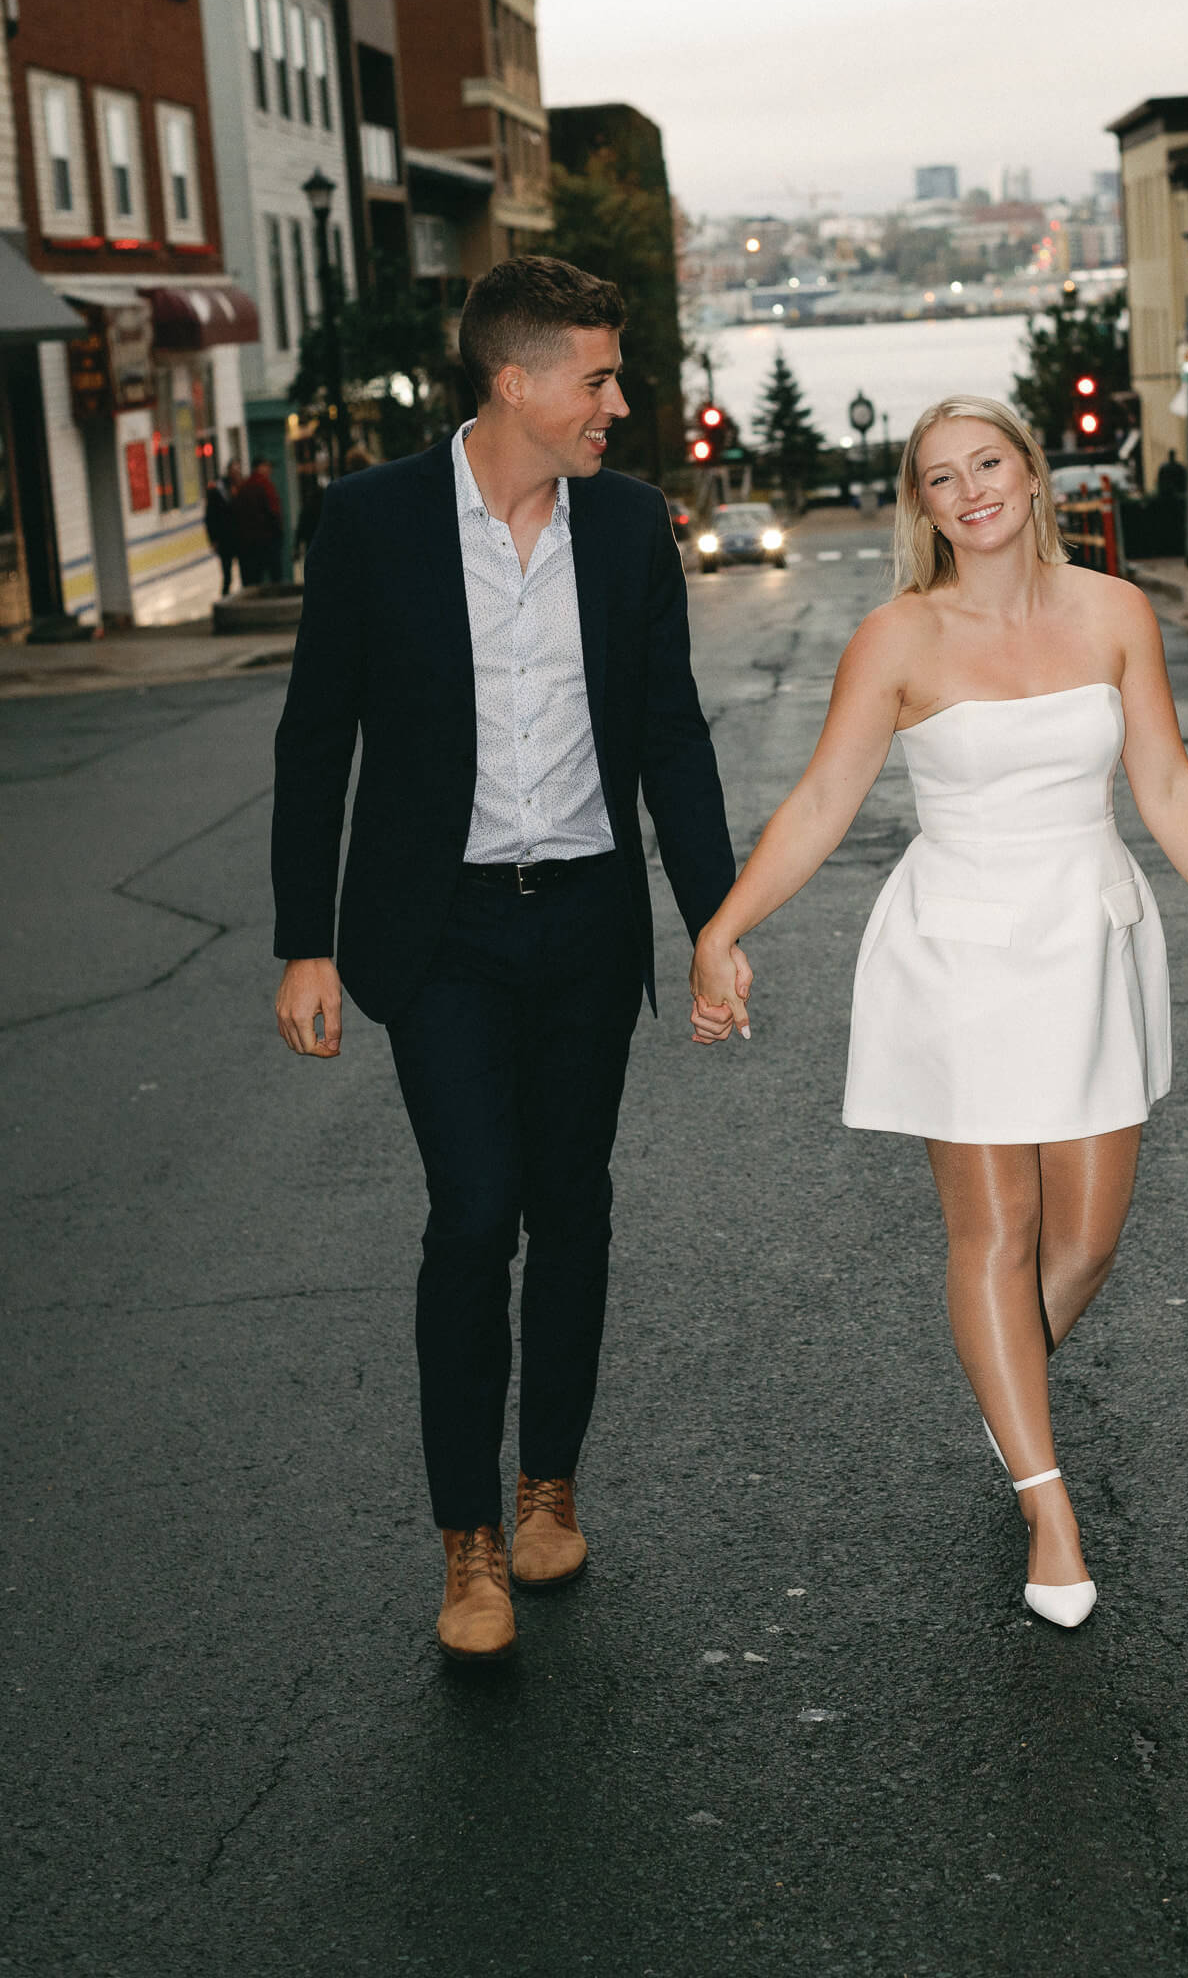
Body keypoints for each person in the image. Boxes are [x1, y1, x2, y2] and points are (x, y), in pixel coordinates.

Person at [689, 394, 1188, 1632]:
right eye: (940, 476)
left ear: (1030, 472)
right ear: (921, 504)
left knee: (1086, 1243)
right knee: (995, 1231)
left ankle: (1000, 1373)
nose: (970, 491)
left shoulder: (1116, 613)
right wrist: (722, 927)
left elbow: (1165, 781)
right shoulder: (898, 638)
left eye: (988, 464)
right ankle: (1046, 1503)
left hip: (1087, 941)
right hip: (954, 948)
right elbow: (818, 804)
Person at [271, 256, 739, 1664]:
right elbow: (316, 743)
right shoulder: (372, 524)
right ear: (516, 381)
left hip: (588, 917)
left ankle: (551, 1487)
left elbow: (672, 737)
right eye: (597, 377)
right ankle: (466, 1539)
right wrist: (305, 941)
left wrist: (713, 926)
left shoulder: (630, 526)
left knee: (572, 1202)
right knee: (476, 1211)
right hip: (445, 931)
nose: (619, 400)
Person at [233, 455, 284, 587]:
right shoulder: (265, 485)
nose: (270, 470)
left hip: (248, 543)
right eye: (268, 466)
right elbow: (274, 512)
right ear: (260, 467)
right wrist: (278, 533)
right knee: (275, 578)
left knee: (254, 581)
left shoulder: (244, 486)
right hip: (267, 539)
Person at [205, 459, 240, 594]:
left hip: (239, 536)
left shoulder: (241, 487)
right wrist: (213, 539)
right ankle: (226, 597)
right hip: (225, 538)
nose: (236, 474)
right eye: (234, 471)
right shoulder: (218, 490)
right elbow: (210, 517)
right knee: (227, 574)